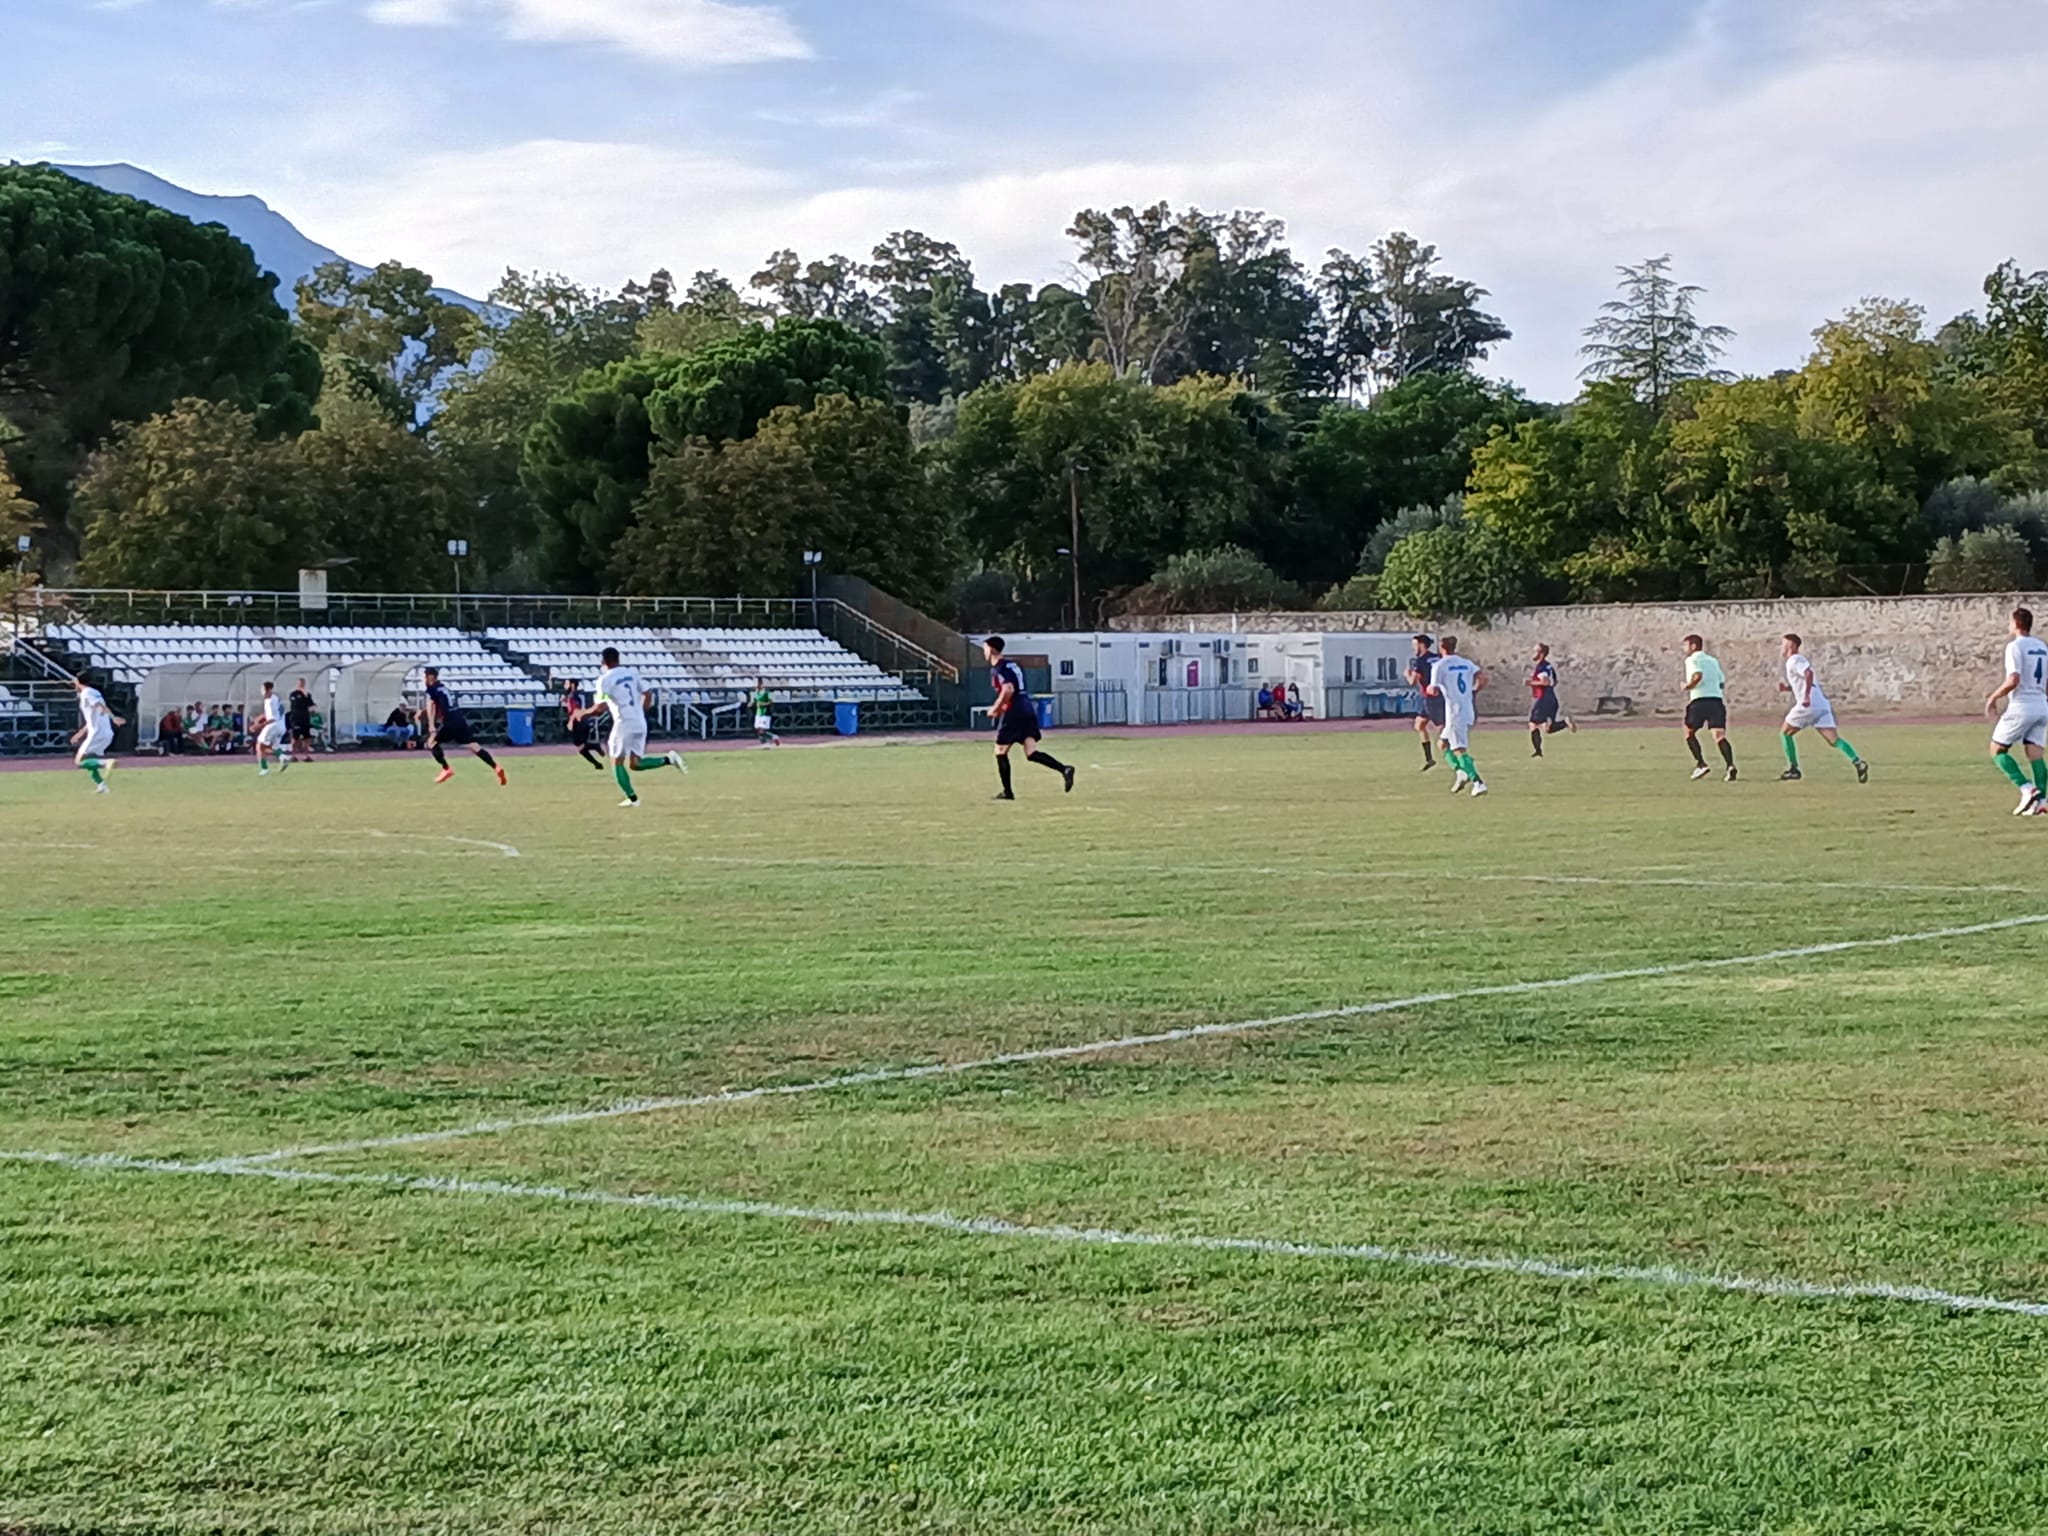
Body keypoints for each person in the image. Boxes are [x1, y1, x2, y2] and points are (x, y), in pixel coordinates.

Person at [587, 645, 684, 807]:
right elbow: (648, 693)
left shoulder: (604, 680)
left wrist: (582, 713)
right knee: (635, 764)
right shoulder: (631, 673)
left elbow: (600, 707)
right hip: (639, 722)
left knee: (616, 761)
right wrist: (641, 711)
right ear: (618, 659)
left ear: (603, 661)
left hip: (623, 723)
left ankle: (633, 799)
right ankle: (669, 759)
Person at [985, 635, 1074, 800]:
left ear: (991, 649)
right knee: (1031, 752)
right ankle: (1065, 769)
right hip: (1026, 707)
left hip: (1014, 710)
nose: (984, 651)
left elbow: (1008, 690)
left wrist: (995, 708)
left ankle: (1007, 792)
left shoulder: (999, 668)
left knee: (1000, 751)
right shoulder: (1012, 665)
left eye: (985, 647)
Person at [1778, 634, 1867, 784]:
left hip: (1809, 705)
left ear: (1791, 646)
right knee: (1834, 740)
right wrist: (1788, 688)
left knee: (1785, 733)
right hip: (1821, 704)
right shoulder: (1797, 661)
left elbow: (1808, 673)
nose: (1781, 647)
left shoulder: (1794, 660)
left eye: (1783, 644)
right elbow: (1804, 681)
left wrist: (1806, 697)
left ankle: (1794, 769)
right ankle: (1858, 762)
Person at [1986, 606, 2048, 815]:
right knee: (2035, 754)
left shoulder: (2015, 646)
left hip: (2022, 705)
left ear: (2015, 624)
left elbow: (2014, 679)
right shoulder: (2042, 646)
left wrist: (1994, 697)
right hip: (2042, 704)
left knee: (1997, 750)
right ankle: (2042, 802)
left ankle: (2027, 788)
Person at [421, 666, 507, 786]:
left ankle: (446, 769)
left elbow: (431, 706)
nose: (423, 679)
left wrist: (431, 726)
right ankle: (496, 767)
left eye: (424, 676)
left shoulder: (431, 689)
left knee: (431, 742)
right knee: (474, 746)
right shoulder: (443, 688)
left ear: (430, 677)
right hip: (459, 719)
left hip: (449, 722)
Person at [1428, 636, 1488, 797]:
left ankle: (1478, 782)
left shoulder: (1439, 665)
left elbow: (1433, 690)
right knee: (1443, 744)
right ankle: (1461, 772)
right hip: (1467, 708)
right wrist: (1473, 690)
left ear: (1441, 648)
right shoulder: (1466, 663)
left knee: (1459, 749)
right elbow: (1483, 678)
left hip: (1455, 712)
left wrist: (1429, 689)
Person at [1681, 634, 1737, 783]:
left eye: (1685, 645)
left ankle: (1701, 764)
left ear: (1693, 646)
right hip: (1716, 701)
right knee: (1719, 735)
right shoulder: (1713, 661)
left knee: (1688, 732)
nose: (1684, 648)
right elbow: (1721, 681)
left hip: (1699, 700)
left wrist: (1688, 686)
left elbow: (1697, 675)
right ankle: (1730, 765)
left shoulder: (1692, 660)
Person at [70, 676, 123, 793]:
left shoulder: (86, 693)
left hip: (98, 733)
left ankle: (106, 763)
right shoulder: (94, 692)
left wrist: (113, 717)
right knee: (90, 761)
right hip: (105, 732)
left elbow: (100, 706)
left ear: (78, 682)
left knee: (79, 762)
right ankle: (102, 786)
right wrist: (80, 734)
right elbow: (93, 716)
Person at [1526, 644, 1575, 756]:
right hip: (1552, 698)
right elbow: (1554, 681)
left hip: (1542, 699)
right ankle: (1564, 723)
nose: (1533, 654)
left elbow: (1546, 682)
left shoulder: (1541, 667)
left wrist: (1530, 683)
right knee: (1548, 728)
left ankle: (1538, 751)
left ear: (1541, 654)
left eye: (1535, 651)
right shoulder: (1549, 666)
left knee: (1533, 724)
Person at [1407, 634, 1444, 771]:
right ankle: (1429, 759)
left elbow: (1412, 682)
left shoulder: (1420, 661)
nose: (1413, 648)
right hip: (1433, 696)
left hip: (1430, 698)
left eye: (1415, 645)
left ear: (1421, 645)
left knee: (1441, 728)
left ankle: (1455, 753)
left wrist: (1407, 674)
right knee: (1419, 725)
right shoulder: (1438, 658)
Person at [563, 679, 605, 771]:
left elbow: (576, 710)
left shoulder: (572, 696)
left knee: (580, 747)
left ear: (572, 685)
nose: (564, 685)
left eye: (567, 683)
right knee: (581, 745)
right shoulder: (579, 694)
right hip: (584, 720)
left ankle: (596, 755)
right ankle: (596, 756)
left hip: (578, 721)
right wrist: (566, 701)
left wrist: (571, 721)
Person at [253, 680, 289, 776]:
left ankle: (268, 767)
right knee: (270, 747)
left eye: (263, 689)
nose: (261, 691)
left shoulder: (270, 702)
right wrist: (259, 718)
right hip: (281, 727)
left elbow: (272, 719)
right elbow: (272, 713)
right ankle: (281, 758)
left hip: (274, 726)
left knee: (260, 746)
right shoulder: (275, 698)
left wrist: (258, 726)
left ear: (268, 690)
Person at [287, 678, 316, 760]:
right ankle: (293, 756)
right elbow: (295, 704)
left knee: (307, 737)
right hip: (296, 718)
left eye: (303, 683)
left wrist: (312, 708)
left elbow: (312, 705)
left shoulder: (307, 694)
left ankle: (306, 756)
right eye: (300, 683)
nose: (301, 684)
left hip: (305, 718)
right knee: (295, 737)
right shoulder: (294, 694)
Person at [749, 678, 781, 747]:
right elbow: (755, 701)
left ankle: (772, 738)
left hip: (765, 713)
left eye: (757, 683)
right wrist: (751, 704)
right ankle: (768, 741)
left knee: (762, 730)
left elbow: (771, 702)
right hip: (758, 713)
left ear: (760, 684)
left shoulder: (766, 692)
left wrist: (763, 704)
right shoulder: (756, 692)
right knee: (758, 729)